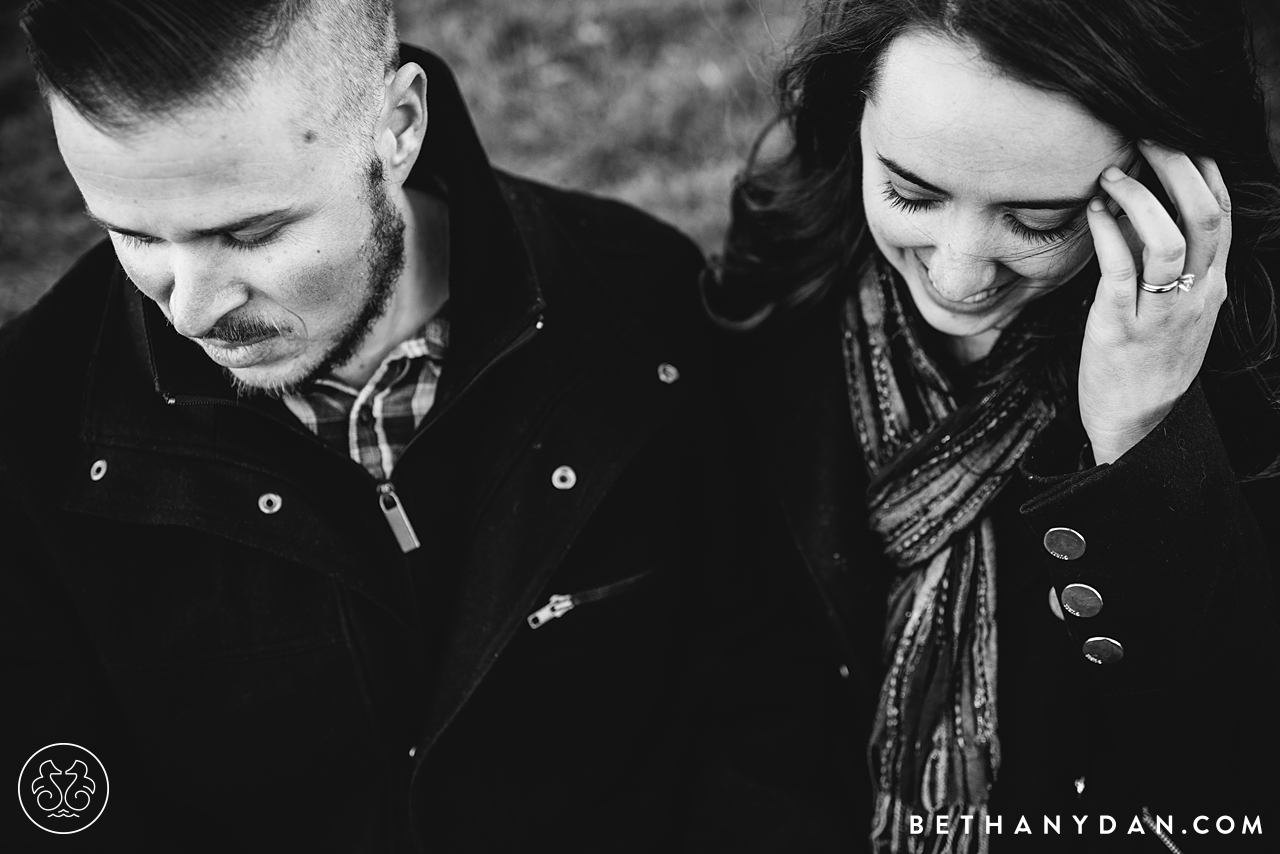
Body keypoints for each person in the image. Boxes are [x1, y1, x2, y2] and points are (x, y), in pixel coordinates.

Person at [1, 1, 850, 850]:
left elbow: (758, 699)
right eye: (132, 233)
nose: (189, 310)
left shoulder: (642, 311)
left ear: (398, 127)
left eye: (251, 233)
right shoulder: (25, 428)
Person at [707, 0, 1280, 851]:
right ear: (851, 115)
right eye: (909, 191)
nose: (957, 274)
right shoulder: (783, 284)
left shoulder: (1248, 381)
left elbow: (1234, 792)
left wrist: (1145, 441)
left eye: (1037, 220)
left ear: (1169, 188)